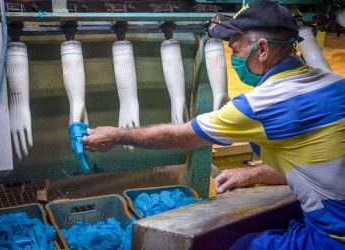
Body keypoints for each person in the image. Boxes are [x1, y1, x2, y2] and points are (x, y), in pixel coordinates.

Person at [83, 1, 345, 249]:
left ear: (262, 49)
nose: (234, 57)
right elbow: (315, 167)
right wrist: (252, 174)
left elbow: (181, 137)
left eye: (236, 48)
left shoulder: (264, 103)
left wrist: (118, 135)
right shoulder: (334, 83)